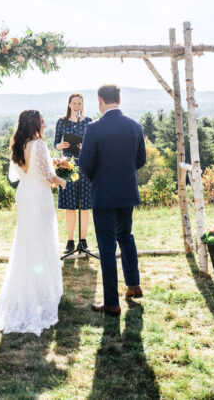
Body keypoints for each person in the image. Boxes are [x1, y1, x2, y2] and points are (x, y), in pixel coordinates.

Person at [0, 109, 67, 335]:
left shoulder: (19, 145)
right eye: (42, 122)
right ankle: (42, 293)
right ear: (34, 124)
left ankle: (25, 291)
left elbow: (23, 172)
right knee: (42, 238)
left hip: (25, 193)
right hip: (39, 195)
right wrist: (63, 181)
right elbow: (48, 176)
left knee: (26, 240)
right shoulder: (39, 145)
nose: (45, 125)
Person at [78, 84, 146, 316]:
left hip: (104, 194)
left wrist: (98, 179)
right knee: (126, 237)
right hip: (127, 192)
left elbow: (85, 163)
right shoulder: (134, 125)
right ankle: (134, 285)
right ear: (119, 99)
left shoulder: (94, 128)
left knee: (107, 246)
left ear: (100, 100)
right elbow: (141, 160)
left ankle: (111, 302)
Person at [54, 92, 94, 252]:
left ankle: (83, 240)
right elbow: (55, 143)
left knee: (85, 205)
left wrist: (86, 147)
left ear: (83, 105)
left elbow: (94, 144)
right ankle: (70, 241)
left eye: (80, 103)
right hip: (68, 166)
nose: (77, 106)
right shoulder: (62, 122)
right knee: (70, 206)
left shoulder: (89, 122)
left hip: (84, 166)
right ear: (69, 104)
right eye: (74, 103)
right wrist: (61, 146)